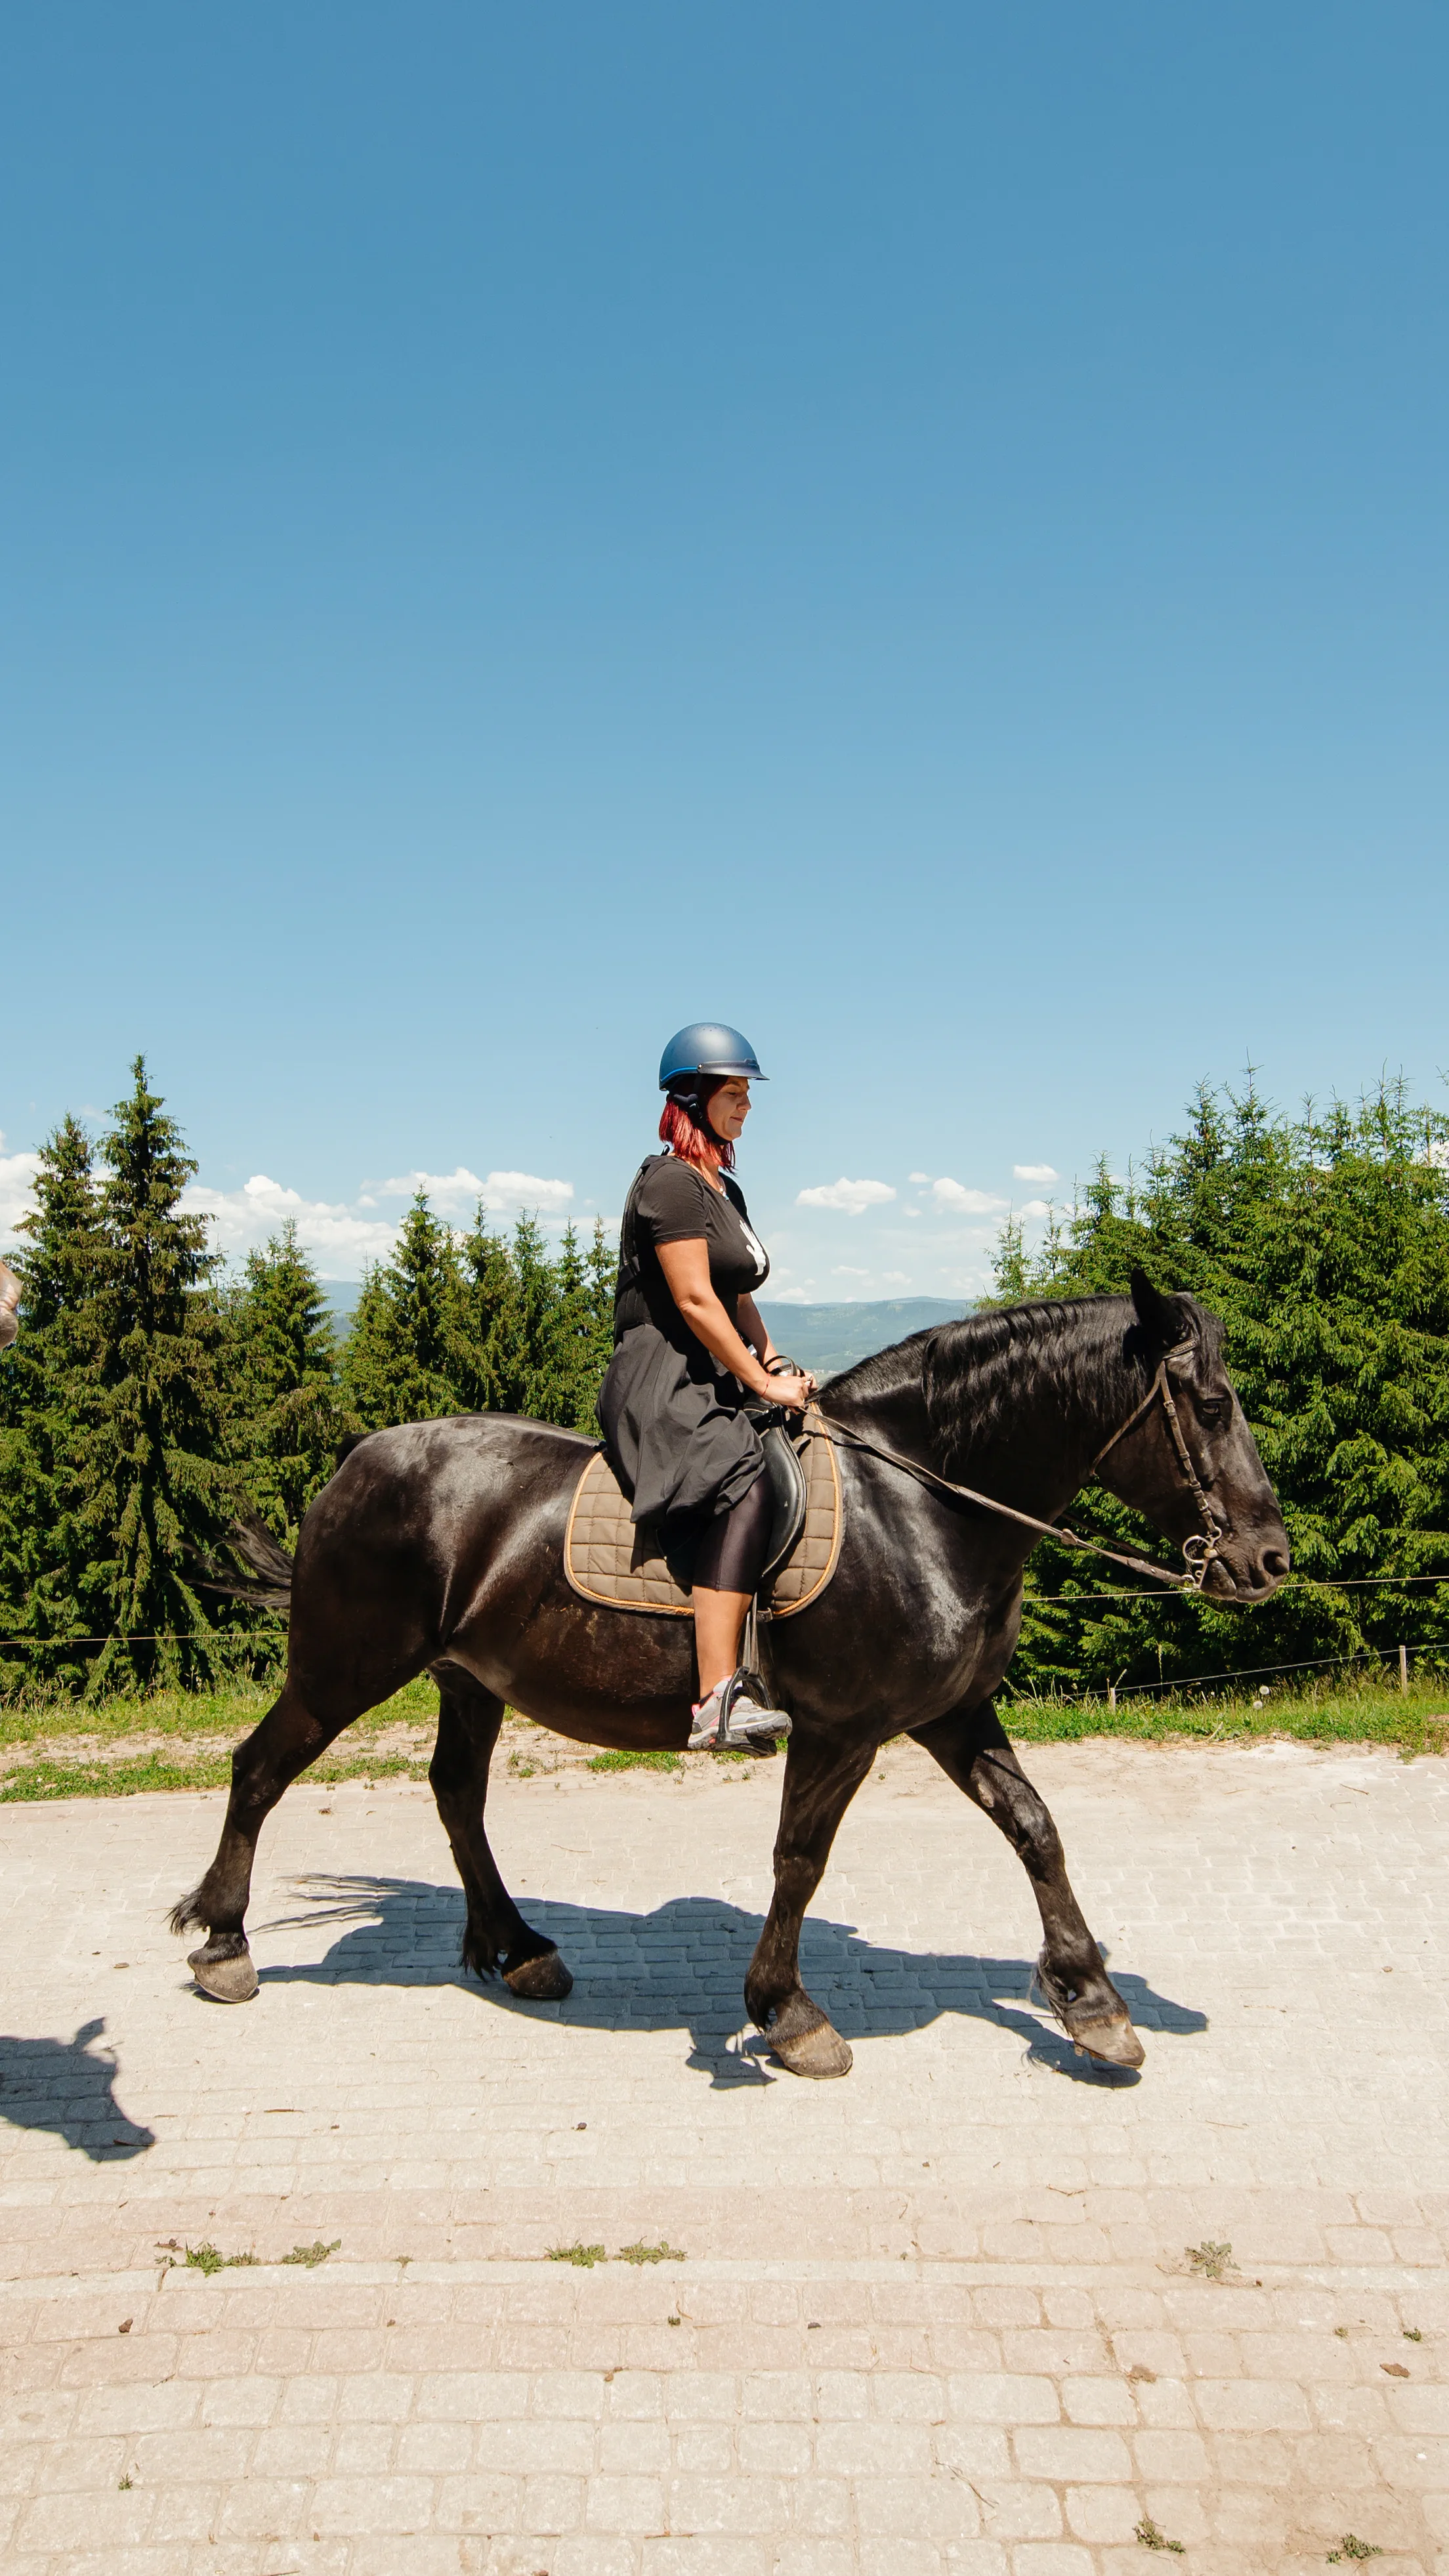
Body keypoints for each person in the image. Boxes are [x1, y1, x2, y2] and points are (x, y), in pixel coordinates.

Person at [599, 1024, 816, 1750]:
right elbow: (694, 1300)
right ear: (690, 1098)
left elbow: (735, 1292)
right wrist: (756, 1379)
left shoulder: (724, 1188)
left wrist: (773, 1359)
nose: (747, 1105)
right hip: (663, 1376)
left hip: (714, 1367)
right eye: (734, 1092)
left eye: (748, 1093)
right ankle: (716, 1700)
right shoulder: (668, 1182)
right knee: (745, 1476)